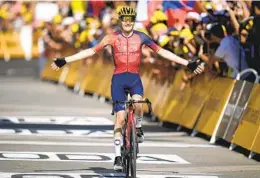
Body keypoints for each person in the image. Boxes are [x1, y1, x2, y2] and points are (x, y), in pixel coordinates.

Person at [51, 6, 203, 171]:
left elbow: (164, 53)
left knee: (138, 104)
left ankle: (137, 127)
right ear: (121, 21)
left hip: (134, 79)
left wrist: (188, 63)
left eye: (131, 19)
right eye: (125, 19)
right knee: (120, 118)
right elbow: (89, 51)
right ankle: (117, 156)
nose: (128, 22)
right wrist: (65, 60)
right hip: (118, 80)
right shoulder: (112, 37)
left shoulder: (141, 37)